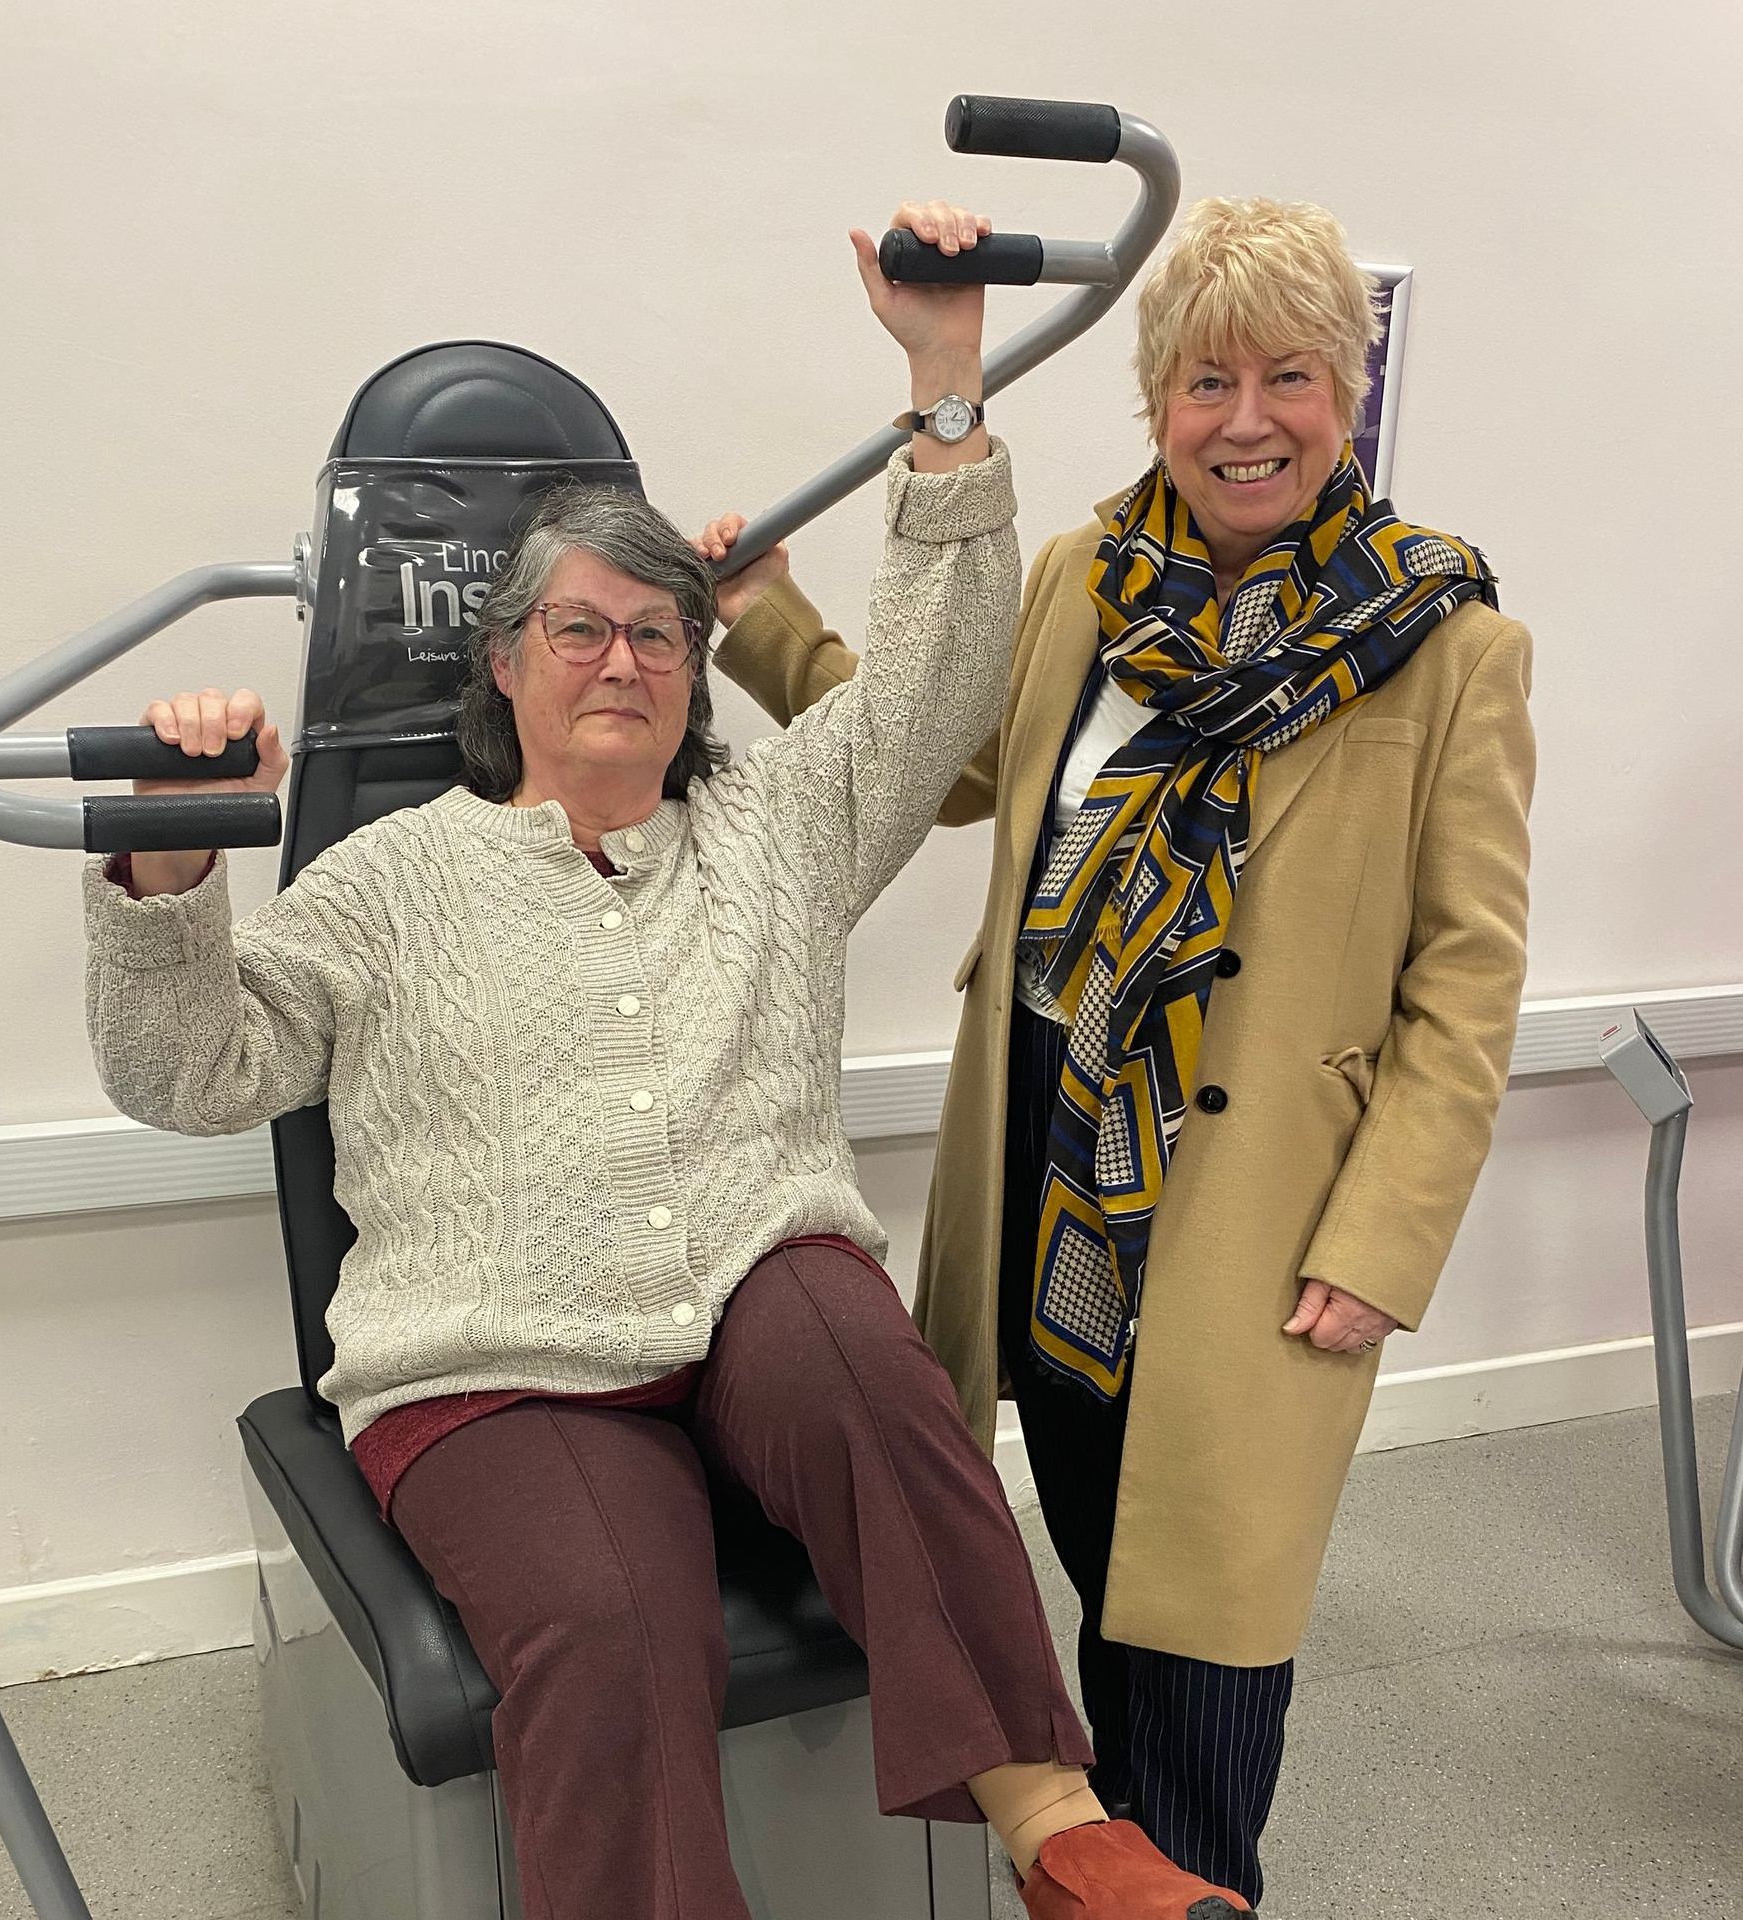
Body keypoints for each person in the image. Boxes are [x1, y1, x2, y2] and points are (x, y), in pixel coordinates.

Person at [79, 208, 1255, 1920]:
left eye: (658, 630)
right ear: (502, 667)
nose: (624, 656)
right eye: (579, 628)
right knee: (617, 1624)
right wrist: (172, 872)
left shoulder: (774, 821)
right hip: (502, 1360)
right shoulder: (395, 879)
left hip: (750, 1305)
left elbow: (931, 691)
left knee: (863, 1356)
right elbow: (195, 1070)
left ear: (698, 667)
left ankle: (1062, 1831)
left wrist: (944, 376)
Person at [701, 194, 1535, 1907]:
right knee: (1089, 1561)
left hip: (1260, 1221)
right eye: (1206, 381)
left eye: (1289, 378)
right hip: (1053, 1181)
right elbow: (952, 761)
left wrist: (1387, 1245)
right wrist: (767, 620)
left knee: (1209, 1650)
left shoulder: (1450, 646)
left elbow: (1469, 983)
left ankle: (1193, 1885)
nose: (1247, 422)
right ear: (1158, 399)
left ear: (1347, 392)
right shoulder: (1094, 575)